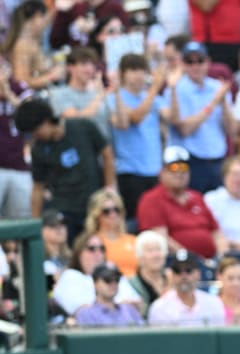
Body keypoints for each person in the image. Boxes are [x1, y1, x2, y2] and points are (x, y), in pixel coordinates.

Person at [15, 98, 115, 245]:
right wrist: (36, 224)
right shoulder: (38, 149)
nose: (34, 136)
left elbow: (107, 154)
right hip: (64, 210)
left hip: (94, 205)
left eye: (35, 131)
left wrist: (109, 188)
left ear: (46, 121)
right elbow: (38, 188)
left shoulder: (83, 126)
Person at [137, 146, 228, 262]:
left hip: (211, 261)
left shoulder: (197, 197)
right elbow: (161, 238)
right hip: (179, 264)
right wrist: (193, 259)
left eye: (184, 168)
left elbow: (217, 233)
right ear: (162, 172)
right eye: (173, 168)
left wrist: (222, 258)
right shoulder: (151, 199)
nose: (179, 173)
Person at [166, 41, 234, 193]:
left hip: (218, 160)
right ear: (182, 64)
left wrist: (223, 104)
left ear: (208, 62)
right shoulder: (176, 89)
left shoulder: (218, 87)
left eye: (200, 61)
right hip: (191, 162)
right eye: (190, 61)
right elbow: (184, 129)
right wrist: (214, 103)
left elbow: (232, 130)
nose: (195, 66)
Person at [108, 53, 169, 222]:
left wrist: (174, 86)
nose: (139, 75)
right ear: (122, 74)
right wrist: (155, 87)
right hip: (130, 170)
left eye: (142, 70)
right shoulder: (114, 98)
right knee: (136, 220)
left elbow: (173, 118)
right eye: (133, 70)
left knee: (156, 220)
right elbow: (135, 118)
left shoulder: (154, 99)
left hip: (154, 169)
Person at [52, 232, 139, 316]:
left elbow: (137, 304)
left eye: (102, 249)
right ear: (79, 253)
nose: (98, 253)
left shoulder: (114, 276)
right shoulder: (70, 276)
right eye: (91, 249)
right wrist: (117, 306)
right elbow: (81, 312)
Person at [48, 46, 112, 142]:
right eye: (83, 64)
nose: (89, 69)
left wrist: (117, 92)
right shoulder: (59, 94)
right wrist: (99, 95)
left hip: (106, 152)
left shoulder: (98, 93)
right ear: (70, 67)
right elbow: (78, 120)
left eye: (92, 64)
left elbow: (116, 122)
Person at [148, 249, 225, 326]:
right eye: (177, 271)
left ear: (198, 274)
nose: (183, 276)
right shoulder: (159, 308)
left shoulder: (213, 303)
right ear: (172, 275)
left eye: (188, 270)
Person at [1, 1, 63, 90]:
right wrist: (52, 76)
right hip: (29, 99)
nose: (46, 24)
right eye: (44, 18)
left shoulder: (32, 42)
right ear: (37, 16)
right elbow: (20, 82)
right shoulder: (23, 45)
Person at [0, 58, 31, 219]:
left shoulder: (18, 87)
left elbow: (32, 113)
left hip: (19, 165)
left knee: (21, 223)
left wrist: (9, 94)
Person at [84, 190, 137, 277]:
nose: (113, 214)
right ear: (96, 215)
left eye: (117, 210)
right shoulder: (92, 243)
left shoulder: (133, 240)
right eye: (106, 211)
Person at [74, 264, 145, 326]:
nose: (113, 284)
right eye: (107, 280)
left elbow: (143, 336)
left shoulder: (129, 309)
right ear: (95, 283)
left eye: (117, 279)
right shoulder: (86, 313)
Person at [49, 0, 129, 49]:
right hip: (77, 64)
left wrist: (95, 31)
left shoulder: (115, 8)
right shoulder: (74, 7)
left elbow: (127, 38)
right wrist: (63, 12)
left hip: (106, 64)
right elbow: (55, 42)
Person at [126, 230, 168, 317]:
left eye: (159, 249)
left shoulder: (172, 280)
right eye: (150, 250)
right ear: (140, 257)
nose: (156, 255)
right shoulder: (130, 284)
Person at [41, 209, 72, 288]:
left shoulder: (71, 258)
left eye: (63, 224)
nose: (60, 229)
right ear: (42, 230)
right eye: (53, 225)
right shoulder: (37, 258)